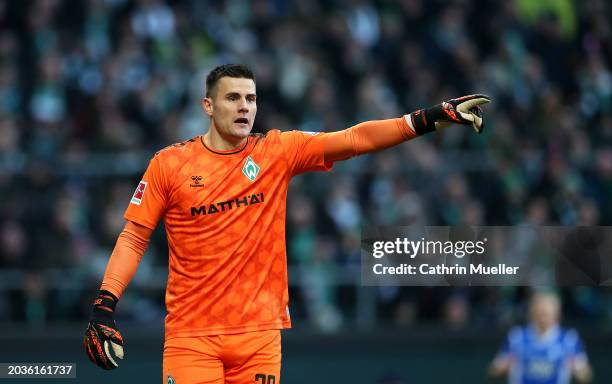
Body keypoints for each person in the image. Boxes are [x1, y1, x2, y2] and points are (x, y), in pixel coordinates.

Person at [83, 63, 490, 383]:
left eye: (251, 98)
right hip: (192, 337)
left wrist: (425, 118)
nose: (245, 107)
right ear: (208, 106)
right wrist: (105, 304)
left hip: (259, 335)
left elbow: (351, 139)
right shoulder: (168, 165)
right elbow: (134, 238)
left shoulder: (277, 151)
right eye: (233, 98)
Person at [489, 291, 593, 384]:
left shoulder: (569, 339)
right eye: (541, 312)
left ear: (557, 314)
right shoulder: (517, 337)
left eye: (548, 313)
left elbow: (585, 375)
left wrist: (578, 370)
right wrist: (502, 367)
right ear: (533, 312)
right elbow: (494, 370)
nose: (544, 317)